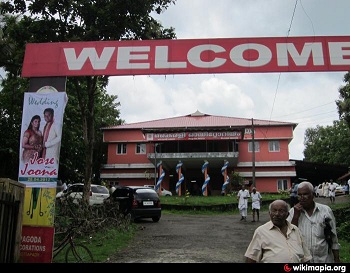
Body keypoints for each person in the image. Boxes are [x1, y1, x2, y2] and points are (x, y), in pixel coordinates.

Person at [287, 181, 340, 263]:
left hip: (323, 260)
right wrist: (296, 216)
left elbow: (333, 237)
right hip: (303, 261)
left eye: (305, 194)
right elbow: (290, 235)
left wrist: (336, 259)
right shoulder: (293, 212)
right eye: (300, 195)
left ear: (313, 194)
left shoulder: (325, 210)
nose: (302, 197)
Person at [244, 200, 311, 263]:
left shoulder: (295, 230)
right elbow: (251, 258)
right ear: (269, 213)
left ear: (287, 215)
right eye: (274, 211)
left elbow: (306, 258)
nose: (277, 214)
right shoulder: (261, 231)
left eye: (281, 211)